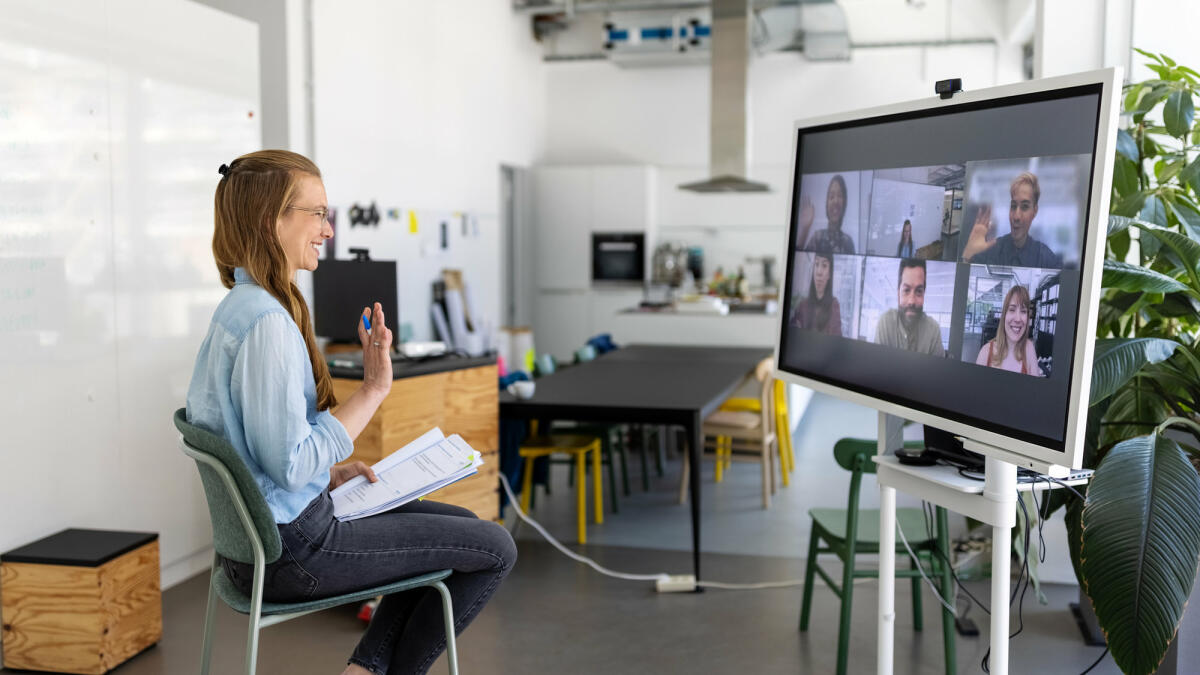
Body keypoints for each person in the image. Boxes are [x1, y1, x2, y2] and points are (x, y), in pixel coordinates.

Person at [185, 150, 515, 675]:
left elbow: (264, 453)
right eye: (317, 213)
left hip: (264, 541)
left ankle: (366, 671)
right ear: (273, 219)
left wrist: (330, 473)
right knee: (494, 547)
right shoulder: (268, 323)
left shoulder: (239, 307)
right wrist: (374, 389)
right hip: (294, 551)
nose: (328, 229)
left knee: (458, 526)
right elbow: (290, 466)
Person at [961, 171, 1063, 268]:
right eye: (1013, 206)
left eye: (1024, 207)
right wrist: (967, 257)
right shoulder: (994, 249)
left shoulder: (1045, 259)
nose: (1016, 216)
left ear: (1034, 211)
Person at [874, 258, 945, 356]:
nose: (911, 301)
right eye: (906, 290)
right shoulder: (885, 322)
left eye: (919, 291)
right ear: (898, 293)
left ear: (924, 293)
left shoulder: (933, 330)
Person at [975, 285, 1042, 376]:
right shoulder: (986, 353)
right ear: (1004, 315)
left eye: (1023, 311)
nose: (1018, 319)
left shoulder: (1029, 348)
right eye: (1012, 309)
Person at [796, 174, 856, 254]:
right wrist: (805, 229)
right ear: (826, 205)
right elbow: (800, 260)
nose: (835, 201)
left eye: (840, 195)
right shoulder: (817, 237)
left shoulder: (848, 242)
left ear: (845, 203)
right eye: (831, 196)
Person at [791, 252, 842, 335]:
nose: (819, 272)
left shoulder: (834, 305)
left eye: (824, 266)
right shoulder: (802, 305)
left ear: (829, 274)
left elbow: (836, 339)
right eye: (816, 264)